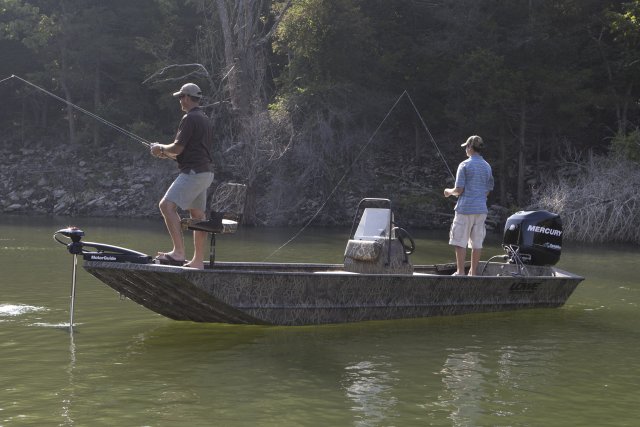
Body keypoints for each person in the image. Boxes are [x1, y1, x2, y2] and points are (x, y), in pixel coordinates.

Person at [150, 83, 214, 269]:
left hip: (194, 173)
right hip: (205, 172)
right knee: (198, 216)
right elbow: (186, 151)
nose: (180, 100)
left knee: (166, 206)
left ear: (187, 97)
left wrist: (160, 148)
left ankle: (178, 253)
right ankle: (197, 262)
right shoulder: (204, 118)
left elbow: (177, 148)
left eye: (180, 97)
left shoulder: (189, 118)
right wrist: (165, 153)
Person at [444, 135, 494, 276]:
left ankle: (460, 272)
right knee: (477, 243)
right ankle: (473, 273)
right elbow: (488, 190)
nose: (465, 149)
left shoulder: (464, 165)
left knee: (460, 241)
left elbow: (459, 190)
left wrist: (448, 192)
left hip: (465, 209)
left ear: (471, 148)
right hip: (481, 211)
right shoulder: (487, 166)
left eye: (466, 147)